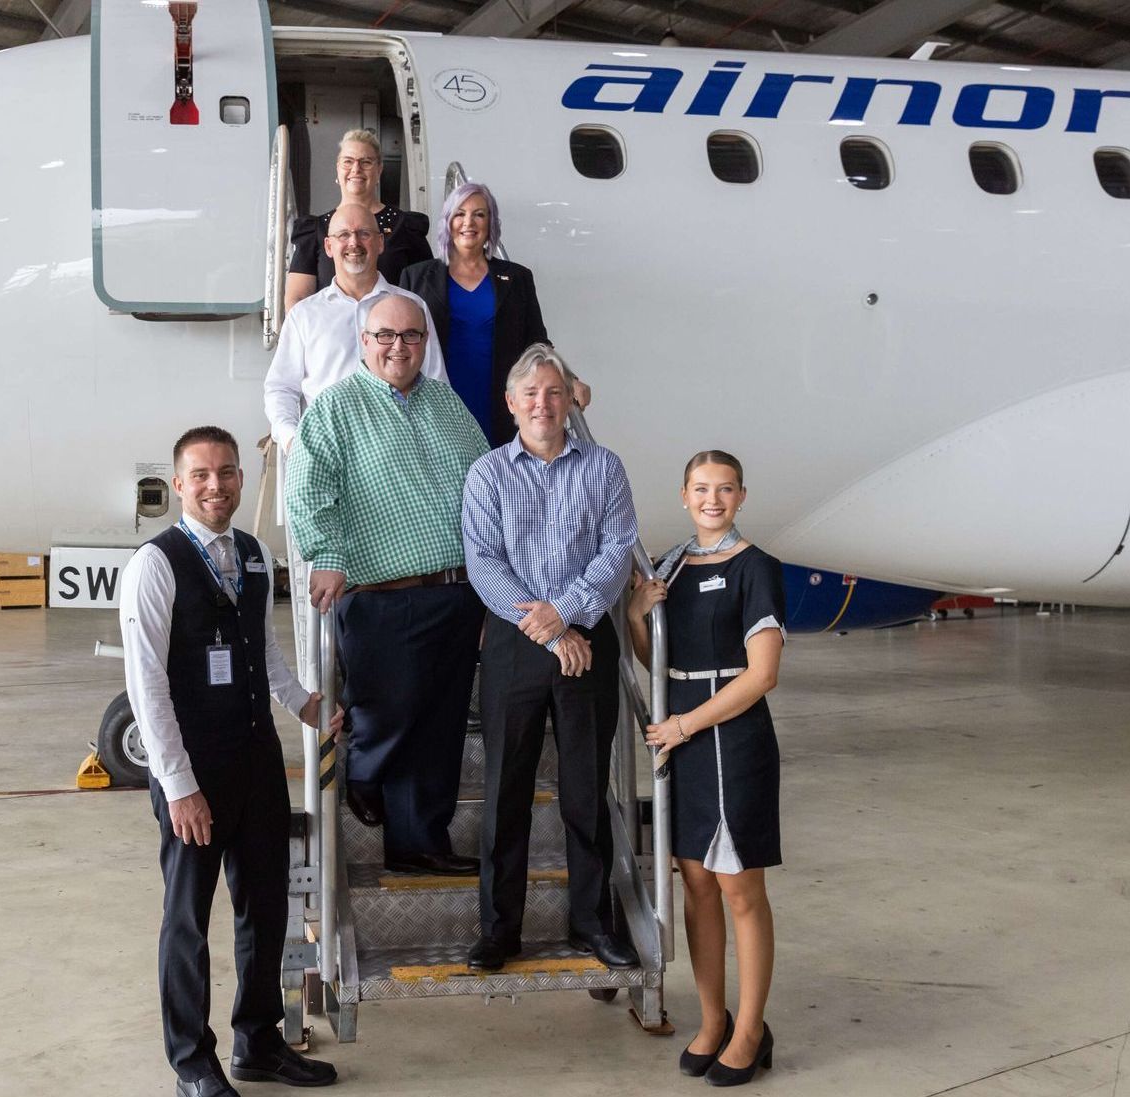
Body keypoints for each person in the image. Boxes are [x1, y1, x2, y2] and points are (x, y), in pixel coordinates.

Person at [120, 426, 338, 1096]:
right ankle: (191, 1060)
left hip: (256, 760)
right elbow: (146, 684)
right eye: (202, 475)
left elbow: (260, 646)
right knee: (188, 916)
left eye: (229, 473)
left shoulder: (251, 554)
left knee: (265, 906)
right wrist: (179, 785)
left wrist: (301, 701)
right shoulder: (154, 566)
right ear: (179, 484)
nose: (217, 486)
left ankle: (258, 1040)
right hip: (195, 771)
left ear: (242, 479)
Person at [287, 295, 490, 875]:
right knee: (389, 711)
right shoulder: (333, 409)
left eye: (411, 336)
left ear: (425, 344)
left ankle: (418, 843)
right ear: (364, 340)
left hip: (455, 591)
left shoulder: (447, 405)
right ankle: (364, 774)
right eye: (385, 336)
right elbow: (307, 489)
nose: (398, 346)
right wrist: (324, 556)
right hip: (381, 596)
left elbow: (485, 487)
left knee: (440, 728)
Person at [460, 346, 640, 973]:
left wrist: (567, 613)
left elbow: (618, 547)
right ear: (511, 405)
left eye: (554, 392)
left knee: (586, 793)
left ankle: (593, 924)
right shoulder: (487, 474)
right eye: (530, 394)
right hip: (517, 643)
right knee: (504, 792)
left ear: (570, 401)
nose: (543, 403)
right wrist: (546, 628)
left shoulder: (605, 468)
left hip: (586, 636)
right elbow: (484, 561)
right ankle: (499, 930)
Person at [628, 450, 786, 1087]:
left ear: (742, 496)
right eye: (701, 489)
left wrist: (686, 725)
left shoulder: (758, 568)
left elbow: (764, 674)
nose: (712, 500)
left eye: (724, 489)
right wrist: (639, 613)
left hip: (732, 738)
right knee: (695, 885)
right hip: (682, 736)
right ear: (684, 496)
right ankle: (714, 1018)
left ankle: (752, 1029)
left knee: (739, 889)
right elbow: (655, 662)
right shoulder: (670, 565)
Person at [399, 182, 589, 446]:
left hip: (498, 402)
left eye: (479, 214)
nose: (469, 222)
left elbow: (537, 342)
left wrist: (570, 379)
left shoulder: (517, 278)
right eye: (460, 214)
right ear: (448, 221)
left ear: (491, 224)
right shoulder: (415, 277)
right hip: (436, 401)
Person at [264, 202, 445, 450]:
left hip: (399, 450)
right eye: (343, 235)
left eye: (364, 233)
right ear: (328, 246)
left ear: (380, 243)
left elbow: (437, 385)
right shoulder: (304, 315)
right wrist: (291, 440)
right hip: (327, 450)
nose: (354, 243)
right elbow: (281, 388)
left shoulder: (413, 307)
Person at [283, 129, 430, 314]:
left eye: (366, 162)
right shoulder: (314, 231)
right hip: (332, 339)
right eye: (348, 161)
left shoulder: (407, 228)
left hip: (391, 339)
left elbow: (426, 295)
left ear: (379, 170)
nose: (356, 169)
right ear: (338, 168)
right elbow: (297, 300)